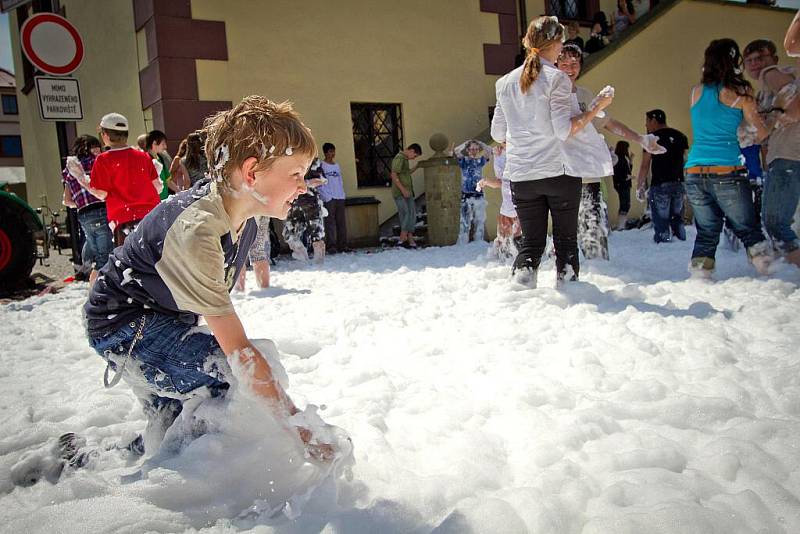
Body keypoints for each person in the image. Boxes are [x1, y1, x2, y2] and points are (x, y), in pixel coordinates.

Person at [82, 96, 332, 461]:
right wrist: (299, 428)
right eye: (295, 174)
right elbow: (239, 353)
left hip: (157, 318)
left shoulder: (246, 213)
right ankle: (200, 479)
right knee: (231, 377)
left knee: (172, 415)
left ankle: (129, 460)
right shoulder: (198, 229)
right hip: (124, 325)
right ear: (251, 174)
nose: (303, 186)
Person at [491, 16, 613, 287]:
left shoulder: (504, 83)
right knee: (566, 241)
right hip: (558, 171)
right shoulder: (557, 79)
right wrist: (595, 107)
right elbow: (563, 130)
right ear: (554, 43)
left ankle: (520, 299)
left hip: (521, 176)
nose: (562, 49)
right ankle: (569, 301)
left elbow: (498, 134)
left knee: (530, 244)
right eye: (561, 43)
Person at [557, 44, 665, 257]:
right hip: (562, 175)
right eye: (564, 63)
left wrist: (639, 138)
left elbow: (608, 123)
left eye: (574, 63)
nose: (569, 68)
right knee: (566, 235)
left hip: (588, 174)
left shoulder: (585, 95)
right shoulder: (549, 95)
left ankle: (599, 275)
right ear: (555, 64)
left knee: (594, 232)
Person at [684, 39, 772, 278]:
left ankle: (700, 280)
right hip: (727, 170)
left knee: (706, 231)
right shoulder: (741, 93)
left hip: (694, 172)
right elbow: (761, 132)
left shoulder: (696, 92)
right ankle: (772, 277)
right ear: (734, 61)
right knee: (747, 227)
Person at [742, 40, 800, 268]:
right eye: (750, 60)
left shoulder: (772, 74)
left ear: (773, 59)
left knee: (775, 221)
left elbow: (794, 107)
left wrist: (773, 120)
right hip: (786, 156)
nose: (756, 64)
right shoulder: (764, 88)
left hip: (789, 156)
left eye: (761, 57)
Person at [87, 113, 162, 246]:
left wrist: (85, 182)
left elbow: (101, 194)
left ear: (105, 135)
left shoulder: (103, 160)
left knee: (129, 261)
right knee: (155, 258)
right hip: (151, 215)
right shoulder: (143, 156)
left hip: (123, 219)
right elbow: (157, 187)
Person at [61, 135, 113, 285]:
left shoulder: (70, 169)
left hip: (83, 215)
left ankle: (86, 267)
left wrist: (83, 202)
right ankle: (98, 292)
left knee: (95, 247)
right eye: (96, 146)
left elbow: (67, 200)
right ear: (89, 149)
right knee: (104, 257)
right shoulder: (98, 162)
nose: (99, 149)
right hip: (101, 209)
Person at [635, 110, 689, 243]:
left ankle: (664, 245)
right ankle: (681, 247)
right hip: (678, 184)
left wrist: (639, 186)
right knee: (678, 220)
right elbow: (686, 161)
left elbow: (645, 165)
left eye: (647, 122)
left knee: (662, 222)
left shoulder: (651, 139)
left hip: (660, 185)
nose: (646, 125)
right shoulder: (680, 136)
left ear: (654, 121)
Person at [478, 144, 521, 262]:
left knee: (519, 242)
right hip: (506, 211)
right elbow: (500, 182)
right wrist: (486, 182)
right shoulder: (499, 154)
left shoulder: (521, 149)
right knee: (503, 243)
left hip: (521, 209)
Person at [282, 158, 327, 263]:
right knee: (289, 234)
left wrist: (303, 184)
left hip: (310, 203)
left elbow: (321, 180)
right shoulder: (287, 160)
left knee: (316, 233)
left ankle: (319, 262)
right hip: (292, 202)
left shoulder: (311, 160)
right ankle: (303, 260)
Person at [454, 139, 492, 244]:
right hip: (466, 195)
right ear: (468, 150)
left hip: (479, 195)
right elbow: (456, 150)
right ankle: (463, 244)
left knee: (479, 221)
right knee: (464, 223)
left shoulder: (480, 161)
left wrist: (481, 143)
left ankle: (479, 242)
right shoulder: (464, 161)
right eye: (471, 149)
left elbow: (489, 151)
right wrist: (466, 142)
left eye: (476, 149)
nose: (473, 151)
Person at [390, 144, 423, 248]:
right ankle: (402, 238)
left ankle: (409, 238)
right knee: (406, 213)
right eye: (415, 155)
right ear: (411, 150)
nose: (414, 158)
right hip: (400, 193)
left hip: (408, 192)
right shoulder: (399, 158)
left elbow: (406, 173)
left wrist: (417, 166)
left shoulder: (405, 159)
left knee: (412, 213)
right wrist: (403, 189)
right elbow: (393, 174)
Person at [319, 142, 350, 253]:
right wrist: (327, 197)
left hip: (339, 196)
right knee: (330, 223)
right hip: (329, 197)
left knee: (341, 222)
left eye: (334, 151)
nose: (333, 154)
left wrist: (342, 194)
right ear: (326, 152)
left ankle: (343, 245)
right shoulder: (322, 166)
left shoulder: (336, 166)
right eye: (330, 151)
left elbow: (340, 181)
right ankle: (331, 246)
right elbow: (320, 183)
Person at [235, 216, 271, 291]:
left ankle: (239, 289)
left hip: (244, 211)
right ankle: (265, 289)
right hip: (260, 211)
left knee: (239, 252)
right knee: (258, 252)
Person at [146, 130, 174, 200]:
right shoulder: (145, 160)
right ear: (154, 143)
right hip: (153, 202)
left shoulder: (161, 158)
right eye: (163, 144)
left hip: (164, 200)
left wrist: (179, 191)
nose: (165, 147)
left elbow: (168, 181)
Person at [612, 141, 633, 230]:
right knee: (625, 204)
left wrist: (631, 161)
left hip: (623, 184)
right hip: (622, 184)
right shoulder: (619, 158)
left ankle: (622, 224)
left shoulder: (623, 158)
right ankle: (621, 225)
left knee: (625, 204)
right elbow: (619, 172)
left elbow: (628, 170)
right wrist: (627, 177)